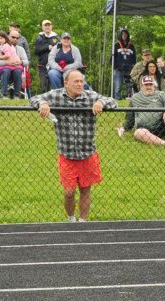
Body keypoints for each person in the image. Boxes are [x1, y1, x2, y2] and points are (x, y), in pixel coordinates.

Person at [29, 70, 117, 222]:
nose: (80, 84)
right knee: (69, 192)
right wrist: (42, 103)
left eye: (82, 81)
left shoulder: (90, 96)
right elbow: (34, 99)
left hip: (87, 153)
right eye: (76, 81)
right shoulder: (56, 95)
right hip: (66, 154)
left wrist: (101, 102)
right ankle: (71, 219)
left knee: (85, 190)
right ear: (66, 83)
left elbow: (113, 101)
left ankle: (82, 222)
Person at [119, 76, 165, 147]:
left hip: (162, 126)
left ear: (154, 86)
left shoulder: (161, 95)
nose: (149, 87)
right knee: (138, 133)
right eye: (146, 85)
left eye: (150, 84)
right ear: (141, 86)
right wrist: (125, 127)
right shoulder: (135, 98)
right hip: (144, 129)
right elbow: (130, 117)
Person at [0, 31, 24, 99]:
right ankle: (4, 94)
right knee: (6, 70)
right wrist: (7, 62)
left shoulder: (19, 49)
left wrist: (20, 62)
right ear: (9, 37)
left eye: (17, 38)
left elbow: (26, 61)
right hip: (5, 70)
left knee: (18, 71)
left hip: (16, 68)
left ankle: (16, 95)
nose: (15, 39)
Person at [34, 19, 60, 93]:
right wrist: (48, 47)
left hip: (55, 65)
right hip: (42, 65)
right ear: (42, 27)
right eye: (45, 25)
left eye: (49, 25)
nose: (47, 27)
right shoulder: (39, 39)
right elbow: (37, 51)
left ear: (51, 27)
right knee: (44, 85)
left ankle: (57, 96)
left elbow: (60, 50)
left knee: (55, 81)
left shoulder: (57, 38)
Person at [112, 28, 136, 99]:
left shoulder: (131, 46)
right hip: (118, 70)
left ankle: (128, 99)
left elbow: (134, 57)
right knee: (118, 87)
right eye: (122, 34)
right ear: (120, 35)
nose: (124, 35)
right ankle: (118, 100)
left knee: (129, 86)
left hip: (129, 69)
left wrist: (133, 67)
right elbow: (112, 57)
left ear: (128, 35)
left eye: (125, 34)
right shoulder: (116, 45)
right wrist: (115, 66)